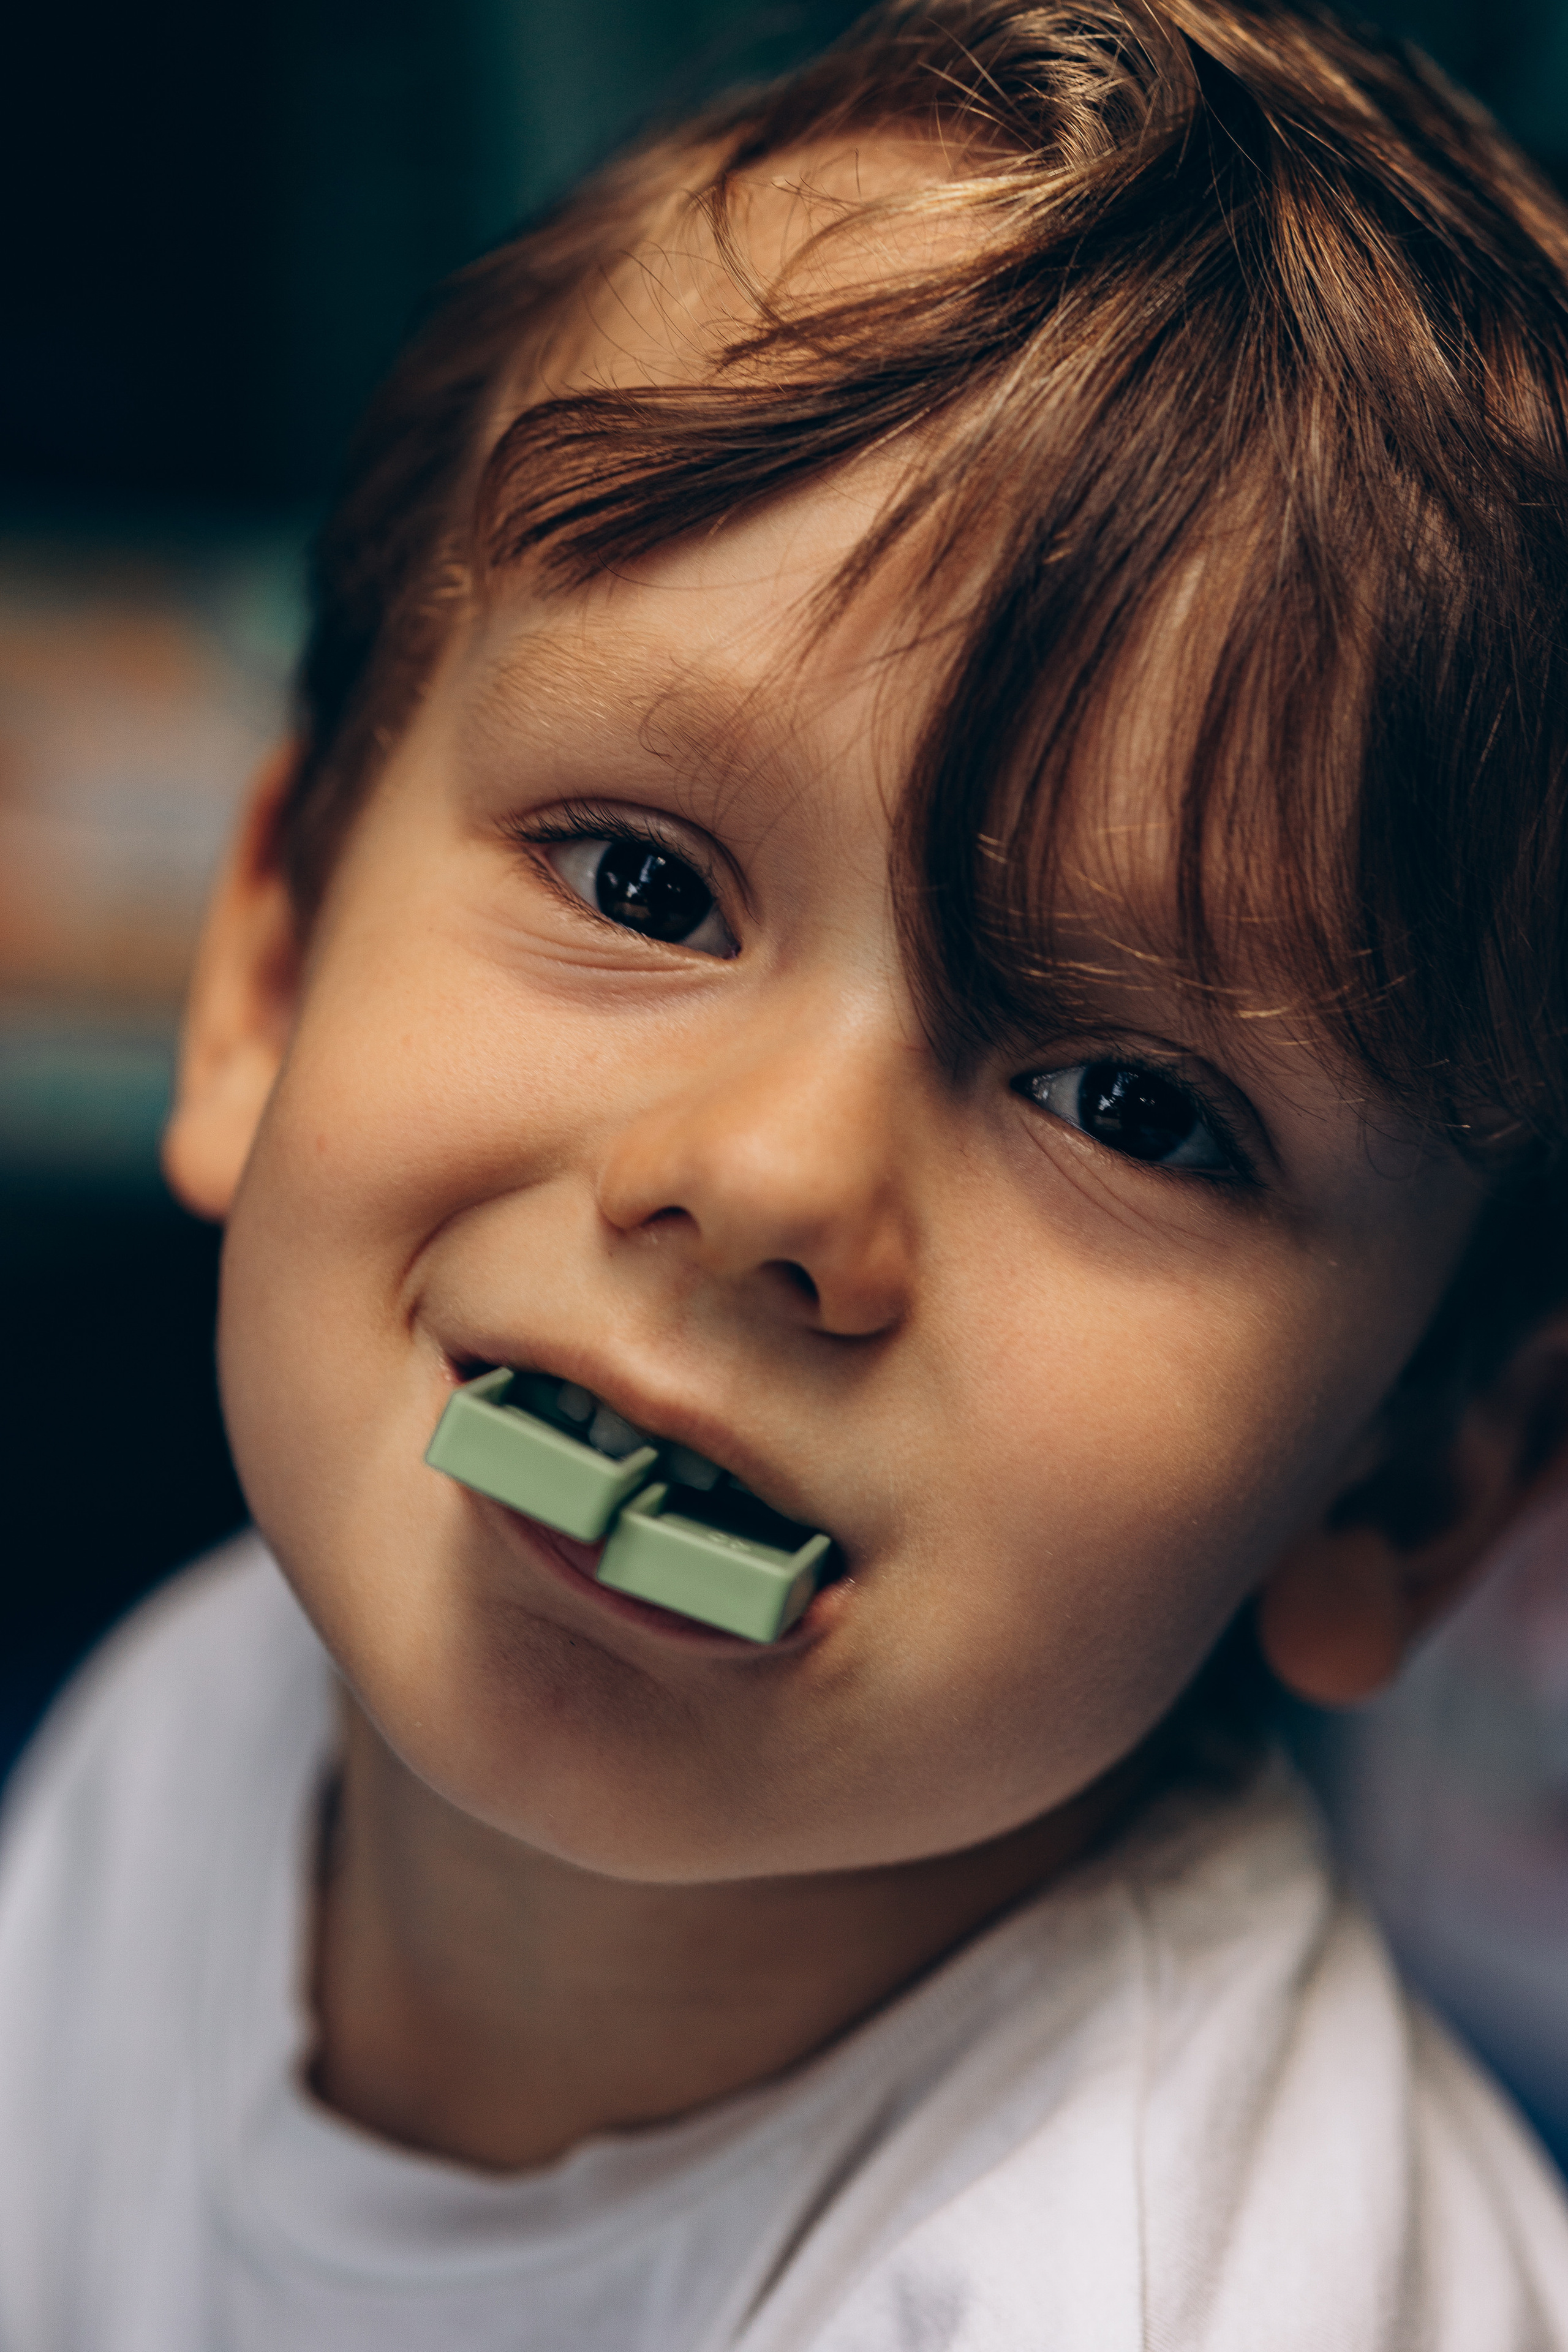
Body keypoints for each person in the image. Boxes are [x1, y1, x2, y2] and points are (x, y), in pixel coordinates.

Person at [4, 0, 1568, 2341]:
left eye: (1133, 1104)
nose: (765, 1178)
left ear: (1417, 1482)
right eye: (642, 881)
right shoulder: (199, 1726)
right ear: (266, 971)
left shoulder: (1158, 2294)